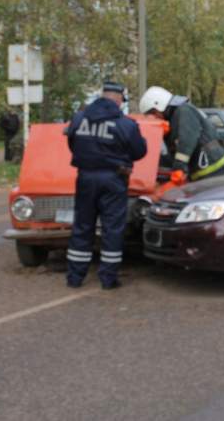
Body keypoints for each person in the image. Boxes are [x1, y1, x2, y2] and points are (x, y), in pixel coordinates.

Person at [65, 81, 147, 290]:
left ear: (102, 96)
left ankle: (75, 277)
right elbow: (139, 151)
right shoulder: (126, 124)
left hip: (85, 177)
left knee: (82, 226)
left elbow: (72, 143)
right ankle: (108, 279)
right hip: (113, 179)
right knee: (112, 228)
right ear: (119, 100)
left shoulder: (79, 118)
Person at [139, 86, 224, 181]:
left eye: (153, 113)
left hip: (212, 167)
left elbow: (186, 141)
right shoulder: (172, 118)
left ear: (159, 105)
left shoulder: (184, 111)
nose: (154, 118)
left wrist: (179, 167)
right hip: (200, 171)